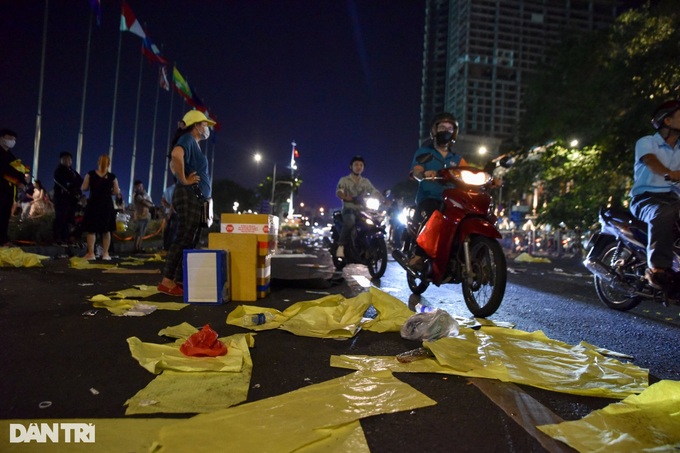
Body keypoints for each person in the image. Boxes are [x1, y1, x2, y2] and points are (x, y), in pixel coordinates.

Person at [158, 110, 215, 296]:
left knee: (190, 239)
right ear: (196, 125)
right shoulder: (188, 139)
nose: (206, 128)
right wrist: (184, 180)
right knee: (183, 237)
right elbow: (176, 155)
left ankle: (177, 279)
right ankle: (167, 280)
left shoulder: (194, 144)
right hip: (188, 194)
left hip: (196, 197)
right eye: (204, 124)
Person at [629, 99, 680, 289]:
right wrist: (668, 172)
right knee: (663, 212)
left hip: (673, 199)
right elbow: (650, 161)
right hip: (645, 199)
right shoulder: (647, 142)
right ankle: (657, 269)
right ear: (667, 121)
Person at [408, 112, 468, 270]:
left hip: (452, 200)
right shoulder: (424, 152)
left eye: (449, 128)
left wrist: (490, 179)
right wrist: (424, 174)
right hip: (429, 197)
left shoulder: (457, 158)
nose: (446, 131)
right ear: (434, 131)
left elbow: (470, 172)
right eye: (442, 127)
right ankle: (418, 255)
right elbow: (417, 171)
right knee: (431, 215)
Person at [335, 155, 383, 259]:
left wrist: (381, 197)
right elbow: (339, 191)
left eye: (361, 165)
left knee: (374, 222)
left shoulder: (366, 181)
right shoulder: (344, 180)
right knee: (350, 222)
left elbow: (374, 191)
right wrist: (345, 197)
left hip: (363, 211)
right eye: (356, 164)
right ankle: (341, 246)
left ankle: (367, 247)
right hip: (349, 209)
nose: (359, 167)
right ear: (351, 166)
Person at [81, 154, 122, 260]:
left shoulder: (90, 174)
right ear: (108, 163)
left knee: (91, 230)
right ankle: (105, 254)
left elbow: (84, 188)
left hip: (93, 204)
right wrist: (107, 192)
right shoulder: (112, 177)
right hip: (107, 205)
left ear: (98, 162)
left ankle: (91, 254)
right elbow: (117, 191)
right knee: (106, 230)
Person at [0, 129, 26, 246]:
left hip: (8, 190)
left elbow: (17, 170)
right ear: (2, 138)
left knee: (5, 215)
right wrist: (19, 179)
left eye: (14, 139)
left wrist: (21, 180)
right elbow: (5, 170)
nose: (12, 141)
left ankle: (3, 240)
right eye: (10, 138)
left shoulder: (10, 155)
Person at [53, 151, 83, 244]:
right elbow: (66, 183)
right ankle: (58, 238)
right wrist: (74, 186)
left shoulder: (73, 171)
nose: (68, 161)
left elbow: (80, 182)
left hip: (72, 200)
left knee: (69, 219)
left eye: (69, 159)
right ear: (61, 160)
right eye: (65, 159)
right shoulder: (59, 171)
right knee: (61, 218)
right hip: (62, 198)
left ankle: (66, 238)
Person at [132, 180, 154, 253]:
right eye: (138, 186)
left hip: (145, 216)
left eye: (141, 186)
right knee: (139, 233)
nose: (140, 188)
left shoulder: (145, 195)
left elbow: (150, 203)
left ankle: (139, 247)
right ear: (135, 187)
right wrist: (149, 204)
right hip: (140, 216)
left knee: (142, 233)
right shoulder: (137, 196)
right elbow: (146, 204)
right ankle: (136, 248)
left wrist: (149, 203)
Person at [161, 183, 178, 251]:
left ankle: (166, 246)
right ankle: (171, 247)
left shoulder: (168, 189)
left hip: (167, 212)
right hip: (175, 213)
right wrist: (171, 210)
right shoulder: (178, 189)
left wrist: (168, 207)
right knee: (174, 230)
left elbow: (163, 201)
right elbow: (174, 202)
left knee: (167, 231)